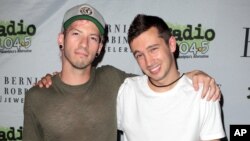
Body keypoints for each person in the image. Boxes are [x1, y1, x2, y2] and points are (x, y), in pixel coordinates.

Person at [23, 3, 221, 141]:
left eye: (93, 38)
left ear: (100, 47)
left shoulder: (113, 80)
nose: (84, 44)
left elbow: (163, 80)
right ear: (61, 39)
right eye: (76, 34)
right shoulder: (37, 96)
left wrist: (194, 75)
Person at [117, 14, 225, 141]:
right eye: (140, 55)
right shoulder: (127, 91)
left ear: (172, 44)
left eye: (153, 49)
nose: (149, 62)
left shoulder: (204, 93)